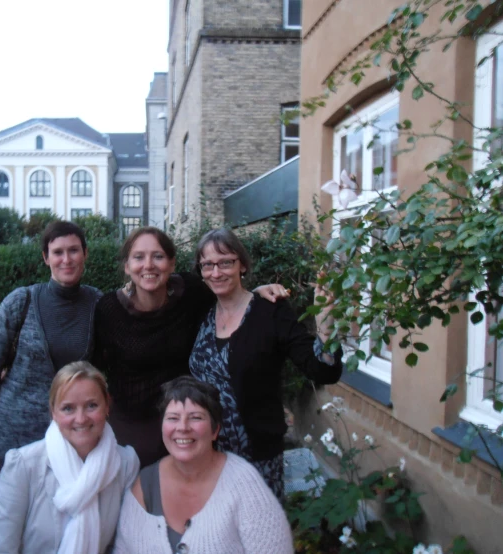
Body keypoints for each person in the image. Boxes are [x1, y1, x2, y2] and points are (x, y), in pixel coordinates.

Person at [93, 227, 288, 467]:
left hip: (184, 420)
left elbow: (229, 298)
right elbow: (95, 367)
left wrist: (256, 294)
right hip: (132, 424)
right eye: (138, 257)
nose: (149, 265)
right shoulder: (109, 309)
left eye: (158, 256)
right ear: (126, 266)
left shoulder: (191, 292)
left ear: (172, 263)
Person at [189, 228, 343, 498]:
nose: (216, 272)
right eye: (207, 265)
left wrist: (326, 325)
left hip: (256, 459)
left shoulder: (271, 312)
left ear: (243, 266)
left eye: (226, 262)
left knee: (259, 535)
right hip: (205, 455)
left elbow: (322, 369)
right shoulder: (200, 311)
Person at [0, 222, 101, 524]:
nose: (66, 259)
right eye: (57, 252)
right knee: (5, 526)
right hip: (13, 439)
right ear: (46, 257)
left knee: (57, 527)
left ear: (85, 254)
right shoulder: (21, 302)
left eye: (73, 250)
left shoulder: (98, 304)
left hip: (71, 440)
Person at [113, 376, 293, 554]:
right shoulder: (145, 485)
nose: (182, 427)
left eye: (196, 417)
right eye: (173, 418)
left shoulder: (244, 484)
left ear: (215, 430)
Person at [0, 361, 139, 554]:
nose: (81, 418)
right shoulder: (23, 466)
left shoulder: (126, 463)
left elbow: (124, 545)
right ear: (53, 412)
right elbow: (2, 549)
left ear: (107, 406)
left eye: (91, 405)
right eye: (68, 408)